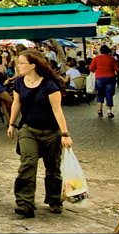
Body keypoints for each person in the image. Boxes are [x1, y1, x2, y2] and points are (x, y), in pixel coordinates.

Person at [7, 49, 72, 218]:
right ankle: (25, 202)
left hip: (51, 132)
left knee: (52, 168)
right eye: (18, 63)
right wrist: (11, 124)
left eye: (22, 63)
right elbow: (16, 103)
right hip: (28, 129)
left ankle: (54, 199)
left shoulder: (50, 85)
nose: (18, 66)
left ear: (33, 65)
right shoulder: (19, 83)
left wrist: (65, 134)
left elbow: (57, 110)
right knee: (28, 164)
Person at [89, 44, 119, 118]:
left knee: (100, 93)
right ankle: (109, 112)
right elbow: (118, 69)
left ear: (100, 51)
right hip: (110, 78)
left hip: (99, 77)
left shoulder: (96, 58)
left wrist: (96, 71)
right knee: (109, 94)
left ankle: (100, 110)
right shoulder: (112, 59)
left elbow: (91, 68)